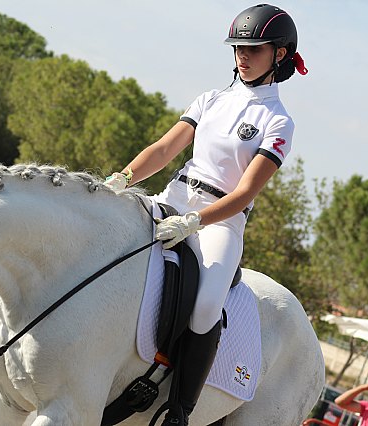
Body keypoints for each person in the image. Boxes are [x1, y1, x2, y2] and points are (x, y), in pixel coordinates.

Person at [104, 4, 308, 425]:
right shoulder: (210, 99)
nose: (242, 56)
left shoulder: (278, 120)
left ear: (281, 54)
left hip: (220, 222)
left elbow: (247, 190)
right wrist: (121, 180)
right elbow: (163, 150)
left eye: (254, 49)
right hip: (174, 197)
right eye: (238, 48)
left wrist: (197, 222)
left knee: (207, 304)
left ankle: (178, 409)